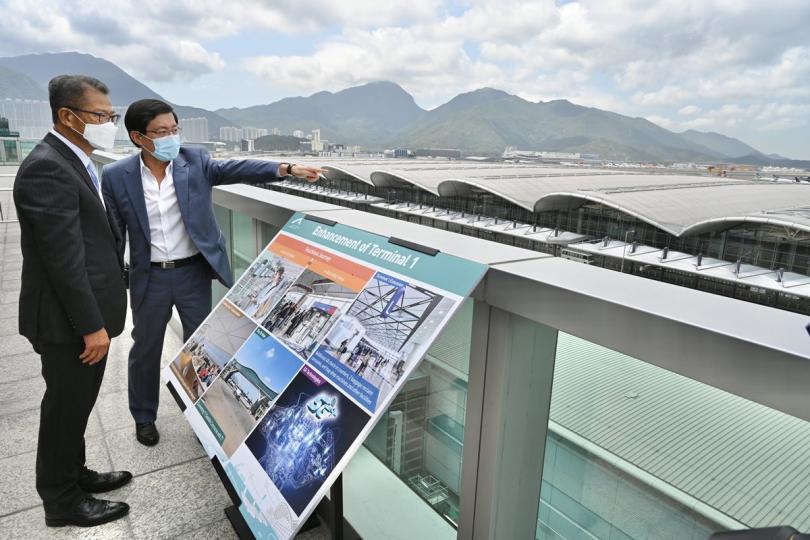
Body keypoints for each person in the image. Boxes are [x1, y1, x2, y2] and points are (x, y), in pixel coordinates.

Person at [102, 99, 322, 446]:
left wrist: (286, 168)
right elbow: (114, 234)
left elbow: (239, 168)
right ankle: (144, 417)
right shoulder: (116, 177)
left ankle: (201, 412)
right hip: (150, 277)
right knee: (145, 349)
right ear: (138, 137)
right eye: (161, 132)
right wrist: (113, 283)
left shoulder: (196, 161)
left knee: (202, 348)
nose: (171, 137)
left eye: (174, 129)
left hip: (192, 274)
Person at [14, 75, 131, 527]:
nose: (108, 123)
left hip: (79, 318)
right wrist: (90, 325)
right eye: (101, 116)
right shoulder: (48, 166)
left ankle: (74, 473)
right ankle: (61, 501)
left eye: (111, 115)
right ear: (68, 116)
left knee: (76, 404)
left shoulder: (74, 159)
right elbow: (63, 260)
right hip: (68, 324)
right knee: (64, 408)